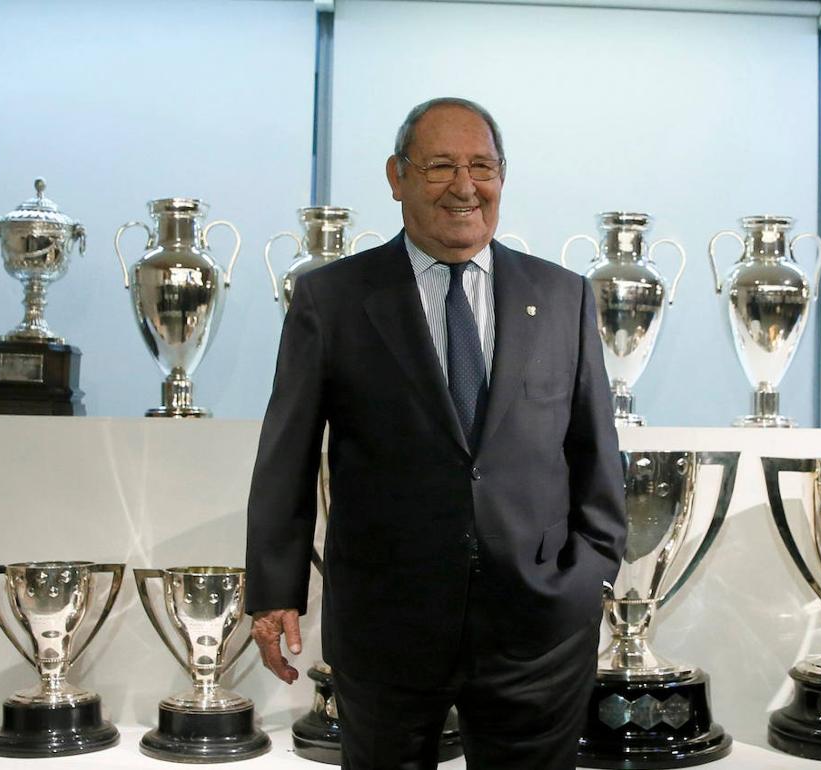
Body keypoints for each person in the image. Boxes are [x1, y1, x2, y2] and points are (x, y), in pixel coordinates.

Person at [243, 97, 627, 770]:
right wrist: (276, 592)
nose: (465, 185)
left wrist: (591, 571)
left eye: (482, 165)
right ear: (397, 176)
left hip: (538, 629)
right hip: (385, 627)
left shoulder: (563, 296)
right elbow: (288, 451)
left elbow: (594, 448)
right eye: (441, 165)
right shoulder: (332, 299)